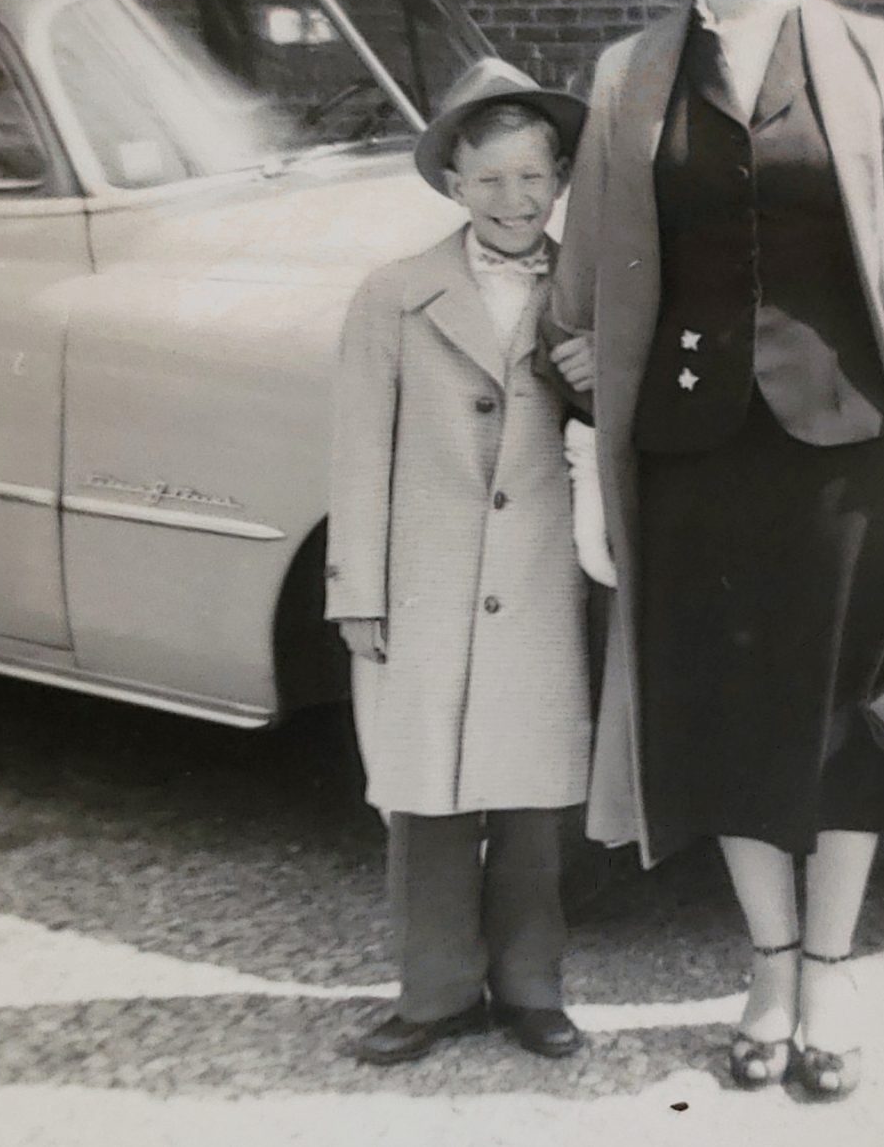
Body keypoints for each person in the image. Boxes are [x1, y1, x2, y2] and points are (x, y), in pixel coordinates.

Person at [549, 0, 884, 1099]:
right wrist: (593, 460)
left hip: (848, 451)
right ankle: (767, 960)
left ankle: (835, 971)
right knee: (726, 712)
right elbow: (580, 297)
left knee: (846, 717)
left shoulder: (879, 61)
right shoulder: (629, 78)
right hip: (690, 459)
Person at [327, 57, 592, 1066]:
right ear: (452, 184)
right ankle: (433, 991)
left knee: (531, 791)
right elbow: (357, 450)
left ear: (559, 177)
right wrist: (357, 587)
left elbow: (628, 425)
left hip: (536, 579)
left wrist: (597, 375)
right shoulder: (394, 295)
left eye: (531, 178)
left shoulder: (585, 290)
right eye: (488, 180)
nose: (512, 199)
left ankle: (531, 984)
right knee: (425, 790)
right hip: (426, 579)